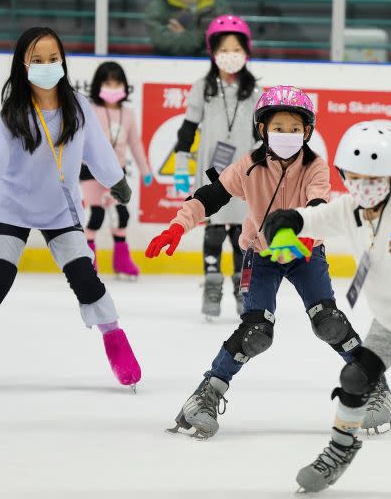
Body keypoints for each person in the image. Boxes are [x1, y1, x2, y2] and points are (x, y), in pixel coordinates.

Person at [0, 27, 142, 397]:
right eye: (37, 60)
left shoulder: (77, 106)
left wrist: (115, 180)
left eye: (53, 58)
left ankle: (114, 339)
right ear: (23, 65)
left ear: (63, 61)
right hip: (13, 210)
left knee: (86, 279)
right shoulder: (14, 115)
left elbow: (98, 150)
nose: (46, 66)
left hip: (62, 211)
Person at [146, 86, 363, 439]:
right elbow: (210, 197)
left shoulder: (315, 166)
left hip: (305, 254)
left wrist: (298, 236)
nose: (288, 135)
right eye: (279, 127)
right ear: (263, 129)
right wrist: (176, 226)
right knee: (256, 332)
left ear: (307, 132)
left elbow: (318, 206)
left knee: (328, 322)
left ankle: (372, 384)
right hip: (261, 254)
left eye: (296, 129)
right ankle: (206, 395)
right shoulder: (248, 165)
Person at [259, 121, 391, 492]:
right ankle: (341, 448)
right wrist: (286, 221)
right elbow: (313, 218)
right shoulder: (348, 208)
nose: (365, 186)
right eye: (355, 177)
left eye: (375, 178)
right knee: (354, 379)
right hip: (388, 323)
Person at [171, 15, 259, 317]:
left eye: (236, 49)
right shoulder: (202, 88)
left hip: (245, 175)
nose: (230, 56)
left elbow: (262, 138)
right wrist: (181, 165)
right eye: (224, 49)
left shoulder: (255, 93)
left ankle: (240, 286)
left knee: (241, 232)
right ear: (212, 52)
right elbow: (187, 129)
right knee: (213, 228)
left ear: (246, 52)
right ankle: (211, 283)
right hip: (211, 172)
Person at [81, 61, 153, 279]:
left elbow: (135, 143)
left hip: (116, 174)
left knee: (121, 214)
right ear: (98, 85)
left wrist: (145, 169)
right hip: (90, 172)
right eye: (107, 83)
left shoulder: (128, 114)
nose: (112, 87)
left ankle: (121, 261)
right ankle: (87, 261)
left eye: (117, 83)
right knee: (95, 215)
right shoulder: (91, 111)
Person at [145, 0, 230, 57]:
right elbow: (163, 43)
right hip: (168, 67)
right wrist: (203, 35)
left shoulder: (220, 7)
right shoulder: (157, 7)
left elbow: (227, 42)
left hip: (210, 66)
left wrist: (184, 35)